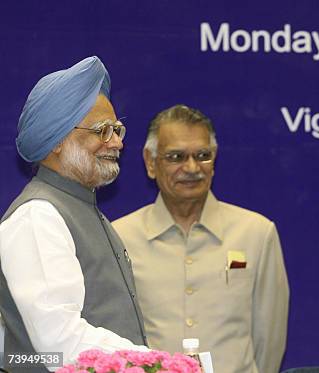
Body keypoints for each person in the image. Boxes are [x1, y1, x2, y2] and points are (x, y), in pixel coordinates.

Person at [113, 104, 289, 373]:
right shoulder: (120, 237)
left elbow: (269, 341)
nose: (192, 167)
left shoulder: (256, 233)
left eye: (203, 155)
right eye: (176, 157)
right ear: (150, 162)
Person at [0, 57, 148, 373]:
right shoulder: (38, 217)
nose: (118, 142)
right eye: (102, 131)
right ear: (56, 141)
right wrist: (154, 364)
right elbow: (59, 344)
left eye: (117, 129)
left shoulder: (82, 210)